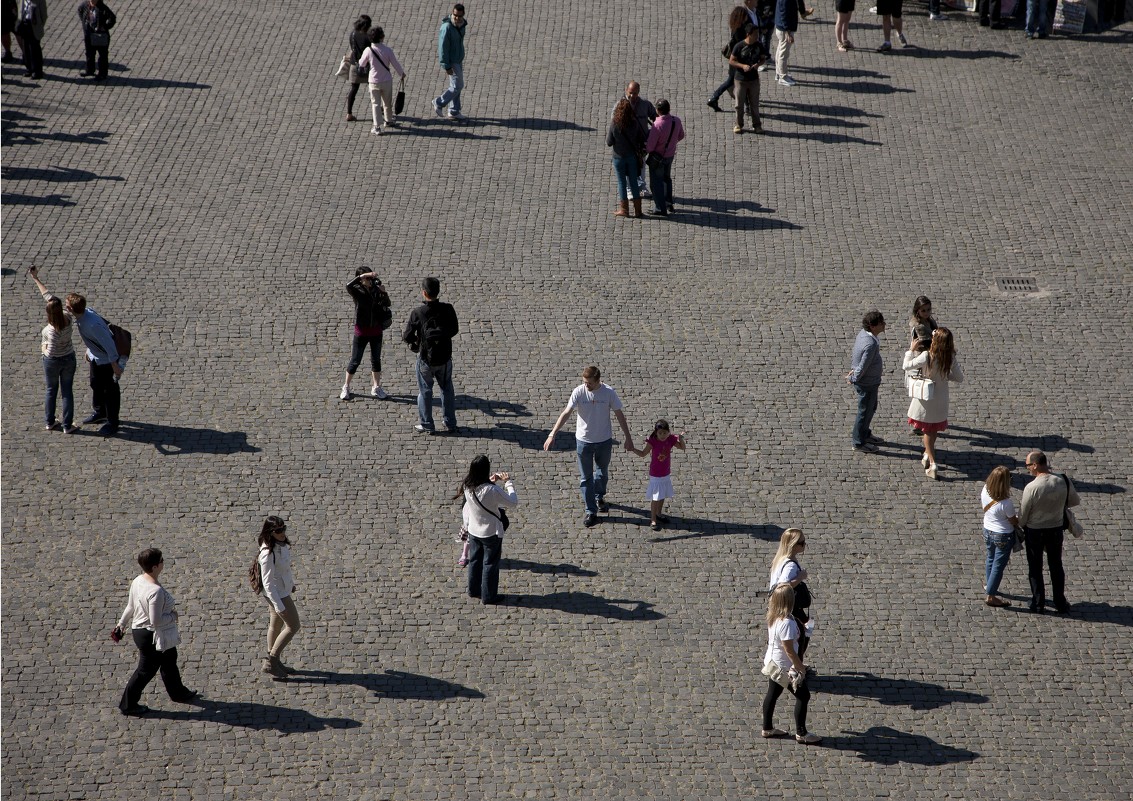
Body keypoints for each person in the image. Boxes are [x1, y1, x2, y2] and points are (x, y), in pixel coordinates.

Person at [30, 267, 122, 436]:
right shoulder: (72, 318)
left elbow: (108, 343)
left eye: (67, 305)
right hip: (84, 357)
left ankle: (111, 421)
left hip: (96, 360)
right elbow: (49, 297)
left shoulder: (62, 328)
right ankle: (93, 415)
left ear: (71, 310)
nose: (65, 307)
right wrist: (90, 349)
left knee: (108, 390)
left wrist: (115, 364)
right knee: (87, 386)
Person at [544, 366, 635, 528]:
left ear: (598, 380)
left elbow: (620, 415)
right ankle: (590, 510)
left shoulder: (608, 393)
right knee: (586, 478)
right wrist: (553, 433)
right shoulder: (578, 392)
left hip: (604, 441)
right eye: (585, 382)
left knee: (602, 473)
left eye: (589, 383)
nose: (586, 386)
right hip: (583, 442)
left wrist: (628, 438)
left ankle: (599, 496)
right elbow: (566, 412)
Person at [113, 548, 198, 716]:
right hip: (151, 635)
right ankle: (127, 705)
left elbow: (130, 606)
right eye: (161, 560)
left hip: (142, 631)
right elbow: (156, 621)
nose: (163, 562)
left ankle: (178, 692)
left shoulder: (138, 580)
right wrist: (173, 616)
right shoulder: (155, 592)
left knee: (169, 659)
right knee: (145, 671)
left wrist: (121, 624)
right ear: (154, 567)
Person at [1019, 451, 1080, 614]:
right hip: (1055, 528)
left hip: (1035, 531)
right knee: (1056, 565)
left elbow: (1023, 515)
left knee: (1035, 567)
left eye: (1028, 466)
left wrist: (1019, 526)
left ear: (1035, 465)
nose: (1028, 469)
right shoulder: (1063, 480)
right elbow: (1074, 501)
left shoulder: (1031, 487)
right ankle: (1060, 601)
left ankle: (1038, 603)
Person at [761, 584, 821, 744]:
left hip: (773, 662)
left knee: (772, 694)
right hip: (785, 667)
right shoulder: (787, 623)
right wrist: (800, 668)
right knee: (803, 696)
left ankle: (767, 728)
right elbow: (789, 650)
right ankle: (801, 733)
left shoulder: (773, 616)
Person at [902, 327, 963, 479]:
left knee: (927, 431)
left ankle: (932, 462)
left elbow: (907, 366)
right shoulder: (950, 357)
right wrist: (944, 377)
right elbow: (959, 377)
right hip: (941, 399)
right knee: (933, 429)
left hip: (926, 398)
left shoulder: (926, 356)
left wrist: (910, 350)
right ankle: (926, 454)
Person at [456, 455, 518, 604]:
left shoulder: (467, 485)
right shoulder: (492, 490)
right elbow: (513, 502)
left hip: (474, 530)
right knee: (490, 564)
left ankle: (473, 590)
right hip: (490, 532)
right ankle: (489, 596)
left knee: (475, 561)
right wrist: (508, 482)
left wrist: (491, 481)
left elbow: (480, 490)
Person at [402, 276, 460, 434]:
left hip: (426, 359)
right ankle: (450, 422)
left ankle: (427, 423)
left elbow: (407, 335)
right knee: (447, 389)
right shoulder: (448, 308)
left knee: (425, 391)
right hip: (445, 357)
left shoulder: (418, 312)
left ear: (424, 293)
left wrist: (418, 341)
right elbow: (454, 330)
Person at [29, 267, 77, 433]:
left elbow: (48, 352)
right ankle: (67, 425)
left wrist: (43, 347)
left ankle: (50, 422)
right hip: (69, 358)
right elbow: (49, 296)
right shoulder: (68, 318)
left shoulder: (50, 330)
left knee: (51, 390)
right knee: (67, 392)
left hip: (52, 361)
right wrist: (36, 279)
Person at [258, 516, 301, 678]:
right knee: (293, 626)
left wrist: (290, 584)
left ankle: (275, 662)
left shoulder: (280, 544)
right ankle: (271, 662)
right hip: (277, 594)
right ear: (270, 532)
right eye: (278, 531)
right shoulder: (267, 553)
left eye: (283, 529)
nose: (282, 533)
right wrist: (279, 606)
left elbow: (283, 570)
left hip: (282, 590)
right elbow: (268, 583)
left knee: (274, 626)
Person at [340, 267, 391, 401]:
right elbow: (348, 285)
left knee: (376, 360)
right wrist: (363, 275)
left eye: (371, 278)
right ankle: (346, 386)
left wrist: (384, 293)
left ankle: (376, 387)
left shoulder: (376, 289)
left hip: (376, 330)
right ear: (361, 279)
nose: (370, 280)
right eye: (367, 278)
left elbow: (387, 304)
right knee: (355, 360)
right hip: (362, 331)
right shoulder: (357, 291)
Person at [630, 421, 686, 530]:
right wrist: (633, 449)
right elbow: (643, 454)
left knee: (662, 494)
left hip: (665, 472)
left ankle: (659, 514)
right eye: (660, 433)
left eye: (664, 433)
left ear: (668, 432)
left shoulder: (670, 440)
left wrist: (681, 439)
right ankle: (653, 519)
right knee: (655, 497)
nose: (662, 436)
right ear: (656, 433)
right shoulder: (653, 441)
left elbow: (682, 447)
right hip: (655, 473)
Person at [768, 528, 812, 657]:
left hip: (778, 604)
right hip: (789, 605)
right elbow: (783, 585)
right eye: (802, 543)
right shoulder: (790, 565)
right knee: (800, 635)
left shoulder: (780, 559)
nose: (804, 545)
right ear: (793, 545)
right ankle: (796, 667)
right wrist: (800, 577)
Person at [846, 310, 885, 453]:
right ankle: (858, 442)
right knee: (864, 411)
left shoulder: (864, 334)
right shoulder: (871, 344)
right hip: (868, 383)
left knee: (871, 408)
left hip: (870, 381)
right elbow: (863, 365)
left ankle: (865, 434)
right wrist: (853, 377)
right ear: (873, 326)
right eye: (881, 323)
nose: (884, 325)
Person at [980, 466, 1018, 608]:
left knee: (990, 557)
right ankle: (991, 595)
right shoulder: (1006, 503)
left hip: (987, 530)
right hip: (1003, 535)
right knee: (998, 565)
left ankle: (989, 584)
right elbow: (1013, 521)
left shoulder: (985, 490)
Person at [358, 26, 406, 136]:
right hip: (387, 80)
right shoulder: (388, 50)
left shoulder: (368, 50)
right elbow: (395, 63)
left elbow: (361, 64)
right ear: (382, 37)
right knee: (387, 102)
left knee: (375, 103)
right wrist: (401, 74)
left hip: (374, 81)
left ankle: (377, 127)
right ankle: (388, 120)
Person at [613, 82, 656, 199]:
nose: (632, 96)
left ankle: (642, 187)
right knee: (628, 167)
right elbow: (615, 123)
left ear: (639, 92)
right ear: (627, 90)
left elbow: (655, 117)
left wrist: (654, 133)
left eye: (635, 93)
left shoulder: (645, 105)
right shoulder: (621, 106)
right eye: (630, 93)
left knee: (641, 165)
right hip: (627, 143)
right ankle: (628, 190)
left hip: (641, 141)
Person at [644, 99, 685, 217]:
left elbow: (650, 147)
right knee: (667, 179)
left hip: (658, 158)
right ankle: (668, 202)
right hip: (670, 155)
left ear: (657, 110)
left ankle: (659, 208)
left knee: (656, 183)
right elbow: (681, 135)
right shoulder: (676, 120)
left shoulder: (657, 125)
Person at [606, 98, 646, 219]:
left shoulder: (614, 123)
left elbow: (609, 142)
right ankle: (638, 211)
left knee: (622, 182)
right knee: (633, 182)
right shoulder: (634, 123)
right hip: (632, 157)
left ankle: (624, 209)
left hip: (618, 158)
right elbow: (641, 138)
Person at [707, 8, 751, 112]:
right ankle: (747, 106)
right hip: (739, 61)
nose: (747, 17)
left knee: (731, 81)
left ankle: (714, 98)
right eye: (745, 16)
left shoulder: (736, 27)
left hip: (735, 60)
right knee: (743, 81)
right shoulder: (740, 31)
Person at [728, 24, 768, 135]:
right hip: (740, 80)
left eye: (757, 34)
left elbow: (763, 59)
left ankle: (757, 126)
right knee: (739, 104)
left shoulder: (759, 45)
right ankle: (738, 124)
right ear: (748, 34)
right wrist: (742, 66)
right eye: (755, 34)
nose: (757, 36)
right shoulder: (739, 46)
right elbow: (732, 61)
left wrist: (758, 65)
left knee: (754, 104)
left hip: (754, 80)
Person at [432, 3, 467, 119]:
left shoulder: (462, 24)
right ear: (452, 13)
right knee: (458, 85)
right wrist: (446, 66)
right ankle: (439, 102)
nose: (457, 18)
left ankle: (454, 111)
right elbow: (443, 48)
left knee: (455, 85)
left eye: (459, 16)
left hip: (458, 58)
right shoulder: (446, 27)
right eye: (455, 15)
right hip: (451, 61)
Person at [77, 0, 115, 81]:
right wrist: (84, 23)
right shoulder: (85, 5)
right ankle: (90, 70)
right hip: (89, 35)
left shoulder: (102, 8)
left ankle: (102, 74)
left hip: (101, 36)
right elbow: (80, 10)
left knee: (102, 56)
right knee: (89, 53)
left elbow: (112, 18)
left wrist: (105, 27)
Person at [344, 16, 372, 122]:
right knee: (374, 88)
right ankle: (380, 109)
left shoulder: (353, 34)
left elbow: (352, 47)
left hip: (354, 65)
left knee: (354, 89)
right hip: (367, 66)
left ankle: (349, 113)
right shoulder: (367, 37)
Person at [17, 0, 46, 79]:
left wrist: (39, 26)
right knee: (26, 48)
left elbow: (44, 14)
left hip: (34, 25)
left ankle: (37, 71)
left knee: (34, 49)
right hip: (24, 24)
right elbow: (20, 9)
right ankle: (29, 68)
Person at [772, 0, 799, 87]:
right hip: (785, 30)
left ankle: (778, 72)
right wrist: (788, 32)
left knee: (780, 49)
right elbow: (784, 13)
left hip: (781, 27)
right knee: (783, 53)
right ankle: (782, 77)